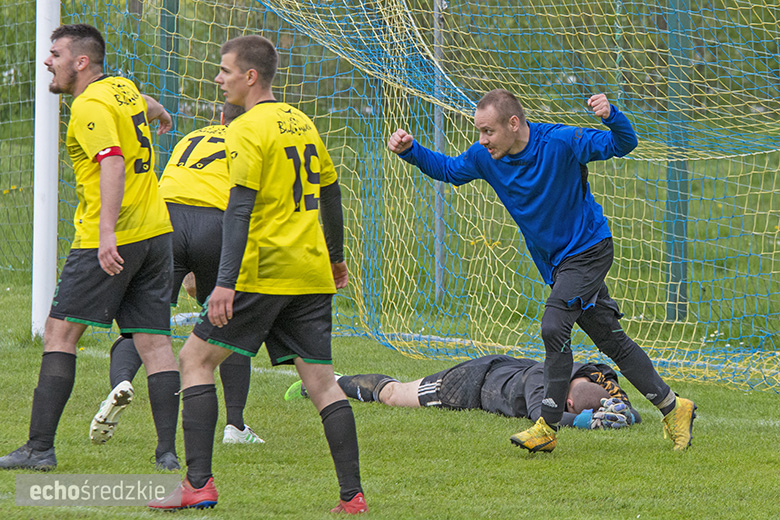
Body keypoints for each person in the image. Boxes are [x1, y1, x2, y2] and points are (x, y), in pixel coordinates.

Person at [387, 89, 696, 452]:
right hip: (557, 264)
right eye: (479, 132)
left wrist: (611, 115)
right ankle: (674, 408)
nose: (482, 140)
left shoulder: (562, 142)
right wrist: (411, 151)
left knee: (553, 325)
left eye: (488, 131)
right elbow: (450, 170)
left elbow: (623, 143)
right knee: (611, 340)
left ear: (513, 123)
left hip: (589, 250)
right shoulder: (485, 157)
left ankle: (547, 426)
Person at [147, 35, 367, 513]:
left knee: (195, 361)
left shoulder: (245, 130)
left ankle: (198, 484)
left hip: (265, 272)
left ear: (250, 76)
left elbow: (239, 207)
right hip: (310, 275)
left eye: (224, 70)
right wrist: (334, 256)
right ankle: (353, 496)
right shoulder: (301, 121)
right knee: (323, 383)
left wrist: (223, 282)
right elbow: (331, 192)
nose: (218, 78)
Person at [0, 23, 180, 471]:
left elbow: (112, 163)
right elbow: (148, 104)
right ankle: (167, 455)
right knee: (155, 344)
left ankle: (39, 448)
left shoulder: (89, 106)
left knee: (60, 334)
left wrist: (105, 235)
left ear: (81, 62)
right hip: (157, 234)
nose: (48, 60)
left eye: (56, 53)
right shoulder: (122, 89)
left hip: (114, 239)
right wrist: (160, 116)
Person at [91, 102, 264, 447]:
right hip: (217, 223)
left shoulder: (193, 136)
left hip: (165, 218)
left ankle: (121, 383)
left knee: (144, 323)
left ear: (220, 118)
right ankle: (235, 427)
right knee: (229, 323)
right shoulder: (254, 142)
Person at [285, 355, 641, 430]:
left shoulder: (595, 376)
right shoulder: (543, 384)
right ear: (566, 399)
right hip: (468, 384)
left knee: (396, 393)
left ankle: (325, 383)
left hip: (496, 369)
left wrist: (626, 413)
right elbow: (540, 417)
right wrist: (582, 421)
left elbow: (623, 404)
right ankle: (325, 384)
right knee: (394, 394)